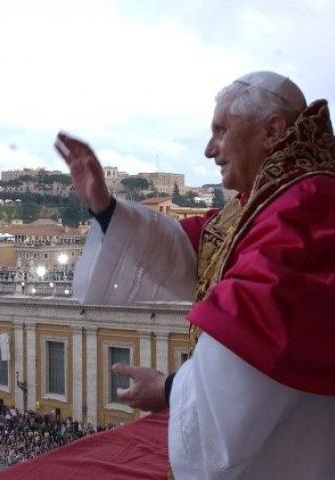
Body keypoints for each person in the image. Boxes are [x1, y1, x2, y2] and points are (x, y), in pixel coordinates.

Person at [54, 71, 335, 478]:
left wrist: (168, 389)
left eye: (221, 131)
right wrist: (105, 207)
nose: (209, 149)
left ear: (272, 130)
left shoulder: (305, 209)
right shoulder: (265, 201)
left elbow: (251, 342)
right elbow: (193, 248)